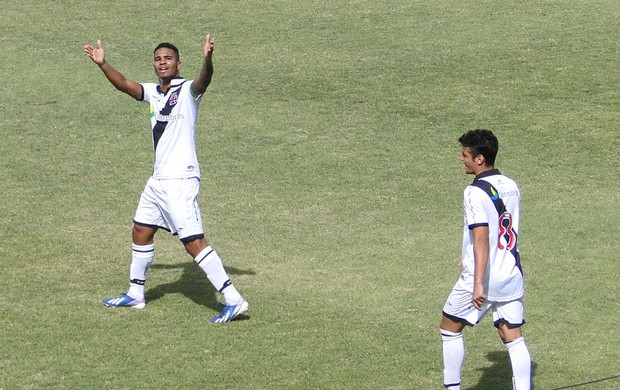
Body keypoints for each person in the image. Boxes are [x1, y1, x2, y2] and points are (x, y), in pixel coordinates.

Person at [83, 34, 248, 323]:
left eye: (168, 58)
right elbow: (123, 84)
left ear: (178, 63)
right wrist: (103, 64)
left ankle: (234, 299)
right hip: (158, 180)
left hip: (180, 179)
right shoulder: (152, 92)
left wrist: (207, 60)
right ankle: (135, 294)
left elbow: (203, 81)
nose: (163, 62)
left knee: (193, 241)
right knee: (141, 230)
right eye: (158, 59)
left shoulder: (188, 91)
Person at [439, 129, 531, 389]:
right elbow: (502, 228)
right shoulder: (511, 185)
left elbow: (481, 237)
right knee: (512, 336)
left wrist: (478, 282)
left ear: (479, 159)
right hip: (512, 273)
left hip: (484, 276)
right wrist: (466, 255)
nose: (461, 159)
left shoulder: (473, 192)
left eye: (465, 154)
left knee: (449, 328)